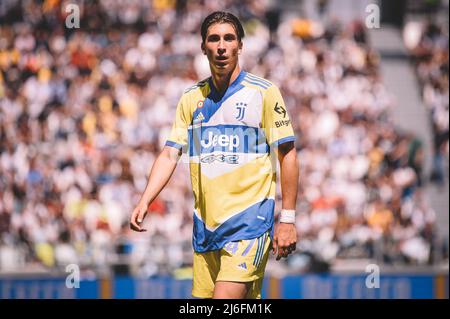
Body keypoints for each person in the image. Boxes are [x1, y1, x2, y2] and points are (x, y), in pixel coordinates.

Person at [130, 11, 299, 299]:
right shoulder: (190, 98)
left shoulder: (264, 93)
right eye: (214, 39)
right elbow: (170, 154)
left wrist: (288, 219)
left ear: (240, 46)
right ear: (203, 47)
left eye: (229, 38)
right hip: (206, 229)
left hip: (249, 223)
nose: (222, 46)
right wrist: (145, 199)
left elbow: (288, 154)